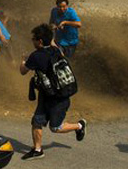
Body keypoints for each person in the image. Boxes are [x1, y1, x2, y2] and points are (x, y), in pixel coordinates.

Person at [19, 24, 86, 161]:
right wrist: (51, 33)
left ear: (40, 41)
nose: (32, 41)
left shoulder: (36, 56)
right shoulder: (56, 50)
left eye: (34, 39)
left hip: (58, 98)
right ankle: (37, 150)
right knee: (36, 121)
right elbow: (53, 43)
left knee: (55, 127)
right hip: (48, 94)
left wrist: (23, 60)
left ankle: (79, 126)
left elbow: (23, 71)